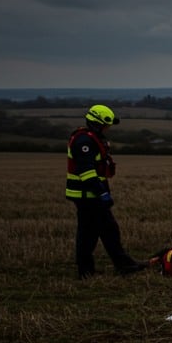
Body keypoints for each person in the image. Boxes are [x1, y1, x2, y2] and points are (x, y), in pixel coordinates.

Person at [65, 104, 145, 278]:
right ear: (97, 124)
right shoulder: (84, 142)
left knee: (97, 231)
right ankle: (116, 266)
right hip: (86, 194)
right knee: (100, 231)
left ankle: (93, 269)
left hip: (91, 193)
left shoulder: (91, 138)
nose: (108, 129)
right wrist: (101, 193)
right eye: (106, 125)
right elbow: (86, 172)